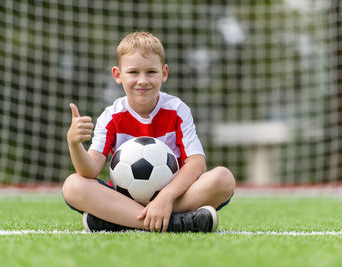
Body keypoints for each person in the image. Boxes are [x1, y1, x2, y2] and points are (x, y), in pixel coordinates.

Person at [62, 31, 235, 233]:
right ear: (118, 75)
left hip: (174, 197)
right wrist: (74, 144)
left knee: (223, 179)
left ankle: (121, 221)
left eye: (151, 72)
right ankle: (174, 223)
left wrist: (165, 197)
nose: (142, 80)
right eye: (133, 72)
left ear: (164, 73)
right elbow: (89, 170)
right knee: (72, 185)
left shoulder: (177, 110)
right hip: (123, 199)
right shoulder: (111, 116)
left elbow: (197, 163)